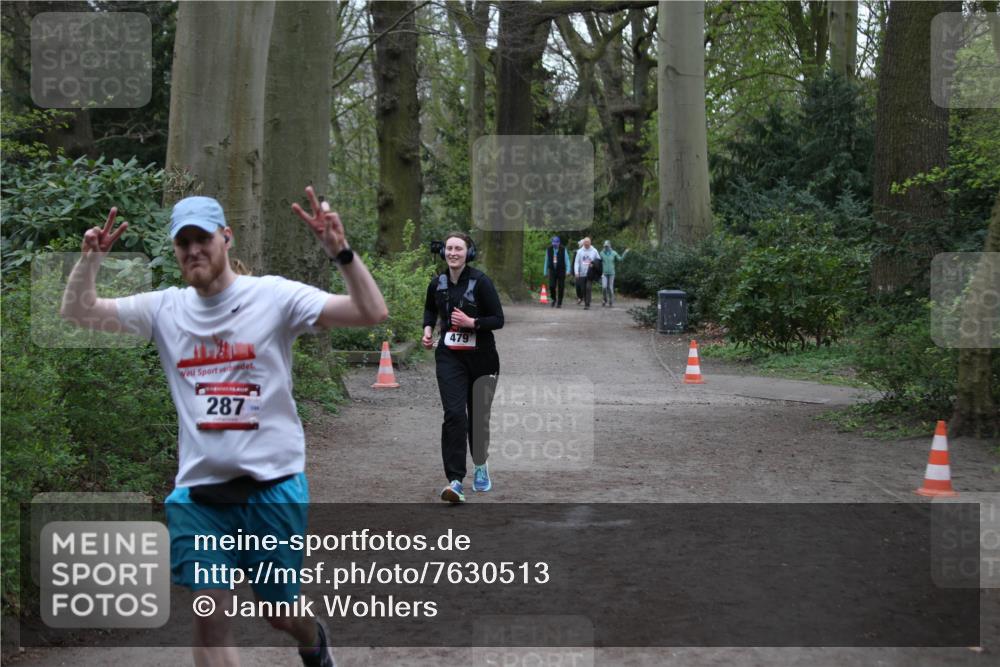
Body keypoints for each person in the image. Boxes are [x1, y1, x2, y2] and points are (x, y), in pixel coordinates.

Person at [60, 187, 388, 667]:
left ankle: (312, 637)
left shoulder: (273, 297)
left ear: (226, 239)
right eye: (183, 243)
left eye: (202, 239)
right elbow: (78, 313)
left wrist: (341, 253)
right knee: (210, 616)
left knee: (279, 613)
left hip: (273, 486)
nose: (193, 250)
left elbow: (370, 312)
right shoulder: (164, 309)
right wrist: (89, 261)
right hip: (200, 495)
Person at [421, 232, 504, 503]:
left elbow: (498, 319)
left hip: (482, 358)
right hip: (450, 358)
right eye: (449, 248)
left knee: (478, 418)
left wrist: (473, 323)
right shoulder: (438, 283)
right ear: (443, 252)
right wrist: (428, 329)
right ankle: (455, 481)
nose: (453, 253)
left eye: (458, 248)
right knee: (455, 415)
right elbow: (429, 310)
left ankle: (480, 465)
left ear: (468, 252)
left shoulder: (481, 282)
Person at [573, 237, 601, 310]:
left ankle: (587, 304)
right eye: (585, 242)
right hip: (582, 273)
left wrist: (594, 264)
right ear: (583, 243)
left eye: (588, 242)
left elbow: (599, 260)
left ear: (590, 243)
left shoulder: (594, 251)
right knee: (583, 289)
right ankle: (586, 301)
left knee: (588, 288)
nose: (586, 244)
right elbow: (576, 262)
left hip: (590, 273)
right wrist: (576, 272)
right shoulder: (579, 251)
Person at [543, 235, 571, 308]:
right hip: (552, 270)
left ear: (559, 243)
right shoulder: (549, 249)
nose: (554, 244)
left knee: (561, 286)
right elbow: (546, 261)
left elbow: (567, 260)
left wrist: (568, 270)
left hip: (561, 270)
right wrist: (545, 272)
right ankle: (553, 299)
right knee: (552, 286)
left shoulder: (563, 249)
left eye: (556, 243)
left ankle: (559, 302)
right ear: (552, 242)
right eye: (553, 242)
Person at [600, 240, 629, 307]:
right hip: (604, 273)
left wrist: (625, 252)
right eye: (605, 246)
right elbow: (598, 261)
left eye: (607, 246)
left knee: (610, 288)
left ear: (610, 246)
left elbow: (620, 259)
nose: (606, 247)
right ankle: (604, 300)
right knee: (604, 287)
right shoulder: (601, 253)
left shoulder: (614, 253)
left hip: (612, 273)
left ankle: (611, 301)